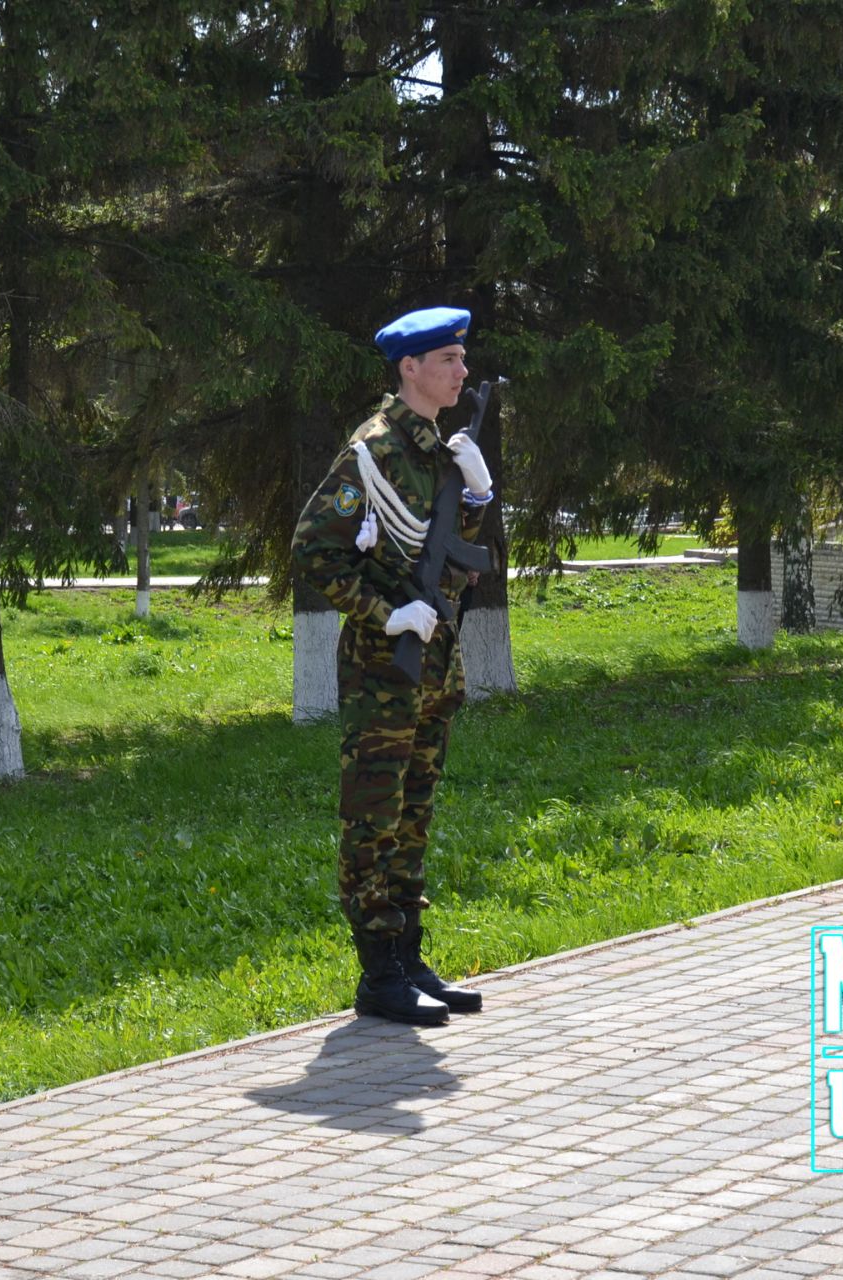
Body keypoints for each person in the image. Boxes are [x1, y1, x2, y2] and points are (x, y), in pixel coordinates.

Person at [291, 306, 493, 1026]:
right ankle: (377, 974)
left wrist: (475, 496)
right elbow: (314, 551)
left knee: (414, 815)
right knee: (372, 819)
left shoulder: (438, 449)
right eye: (448, 360)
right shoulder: (371, 453)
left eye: (462, 360)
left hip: (433, 667)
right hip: (384, 669)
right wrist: (385, 614)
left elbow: (440, 554)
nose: (461, 372)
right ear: (410, 368)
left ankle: (409, 956)